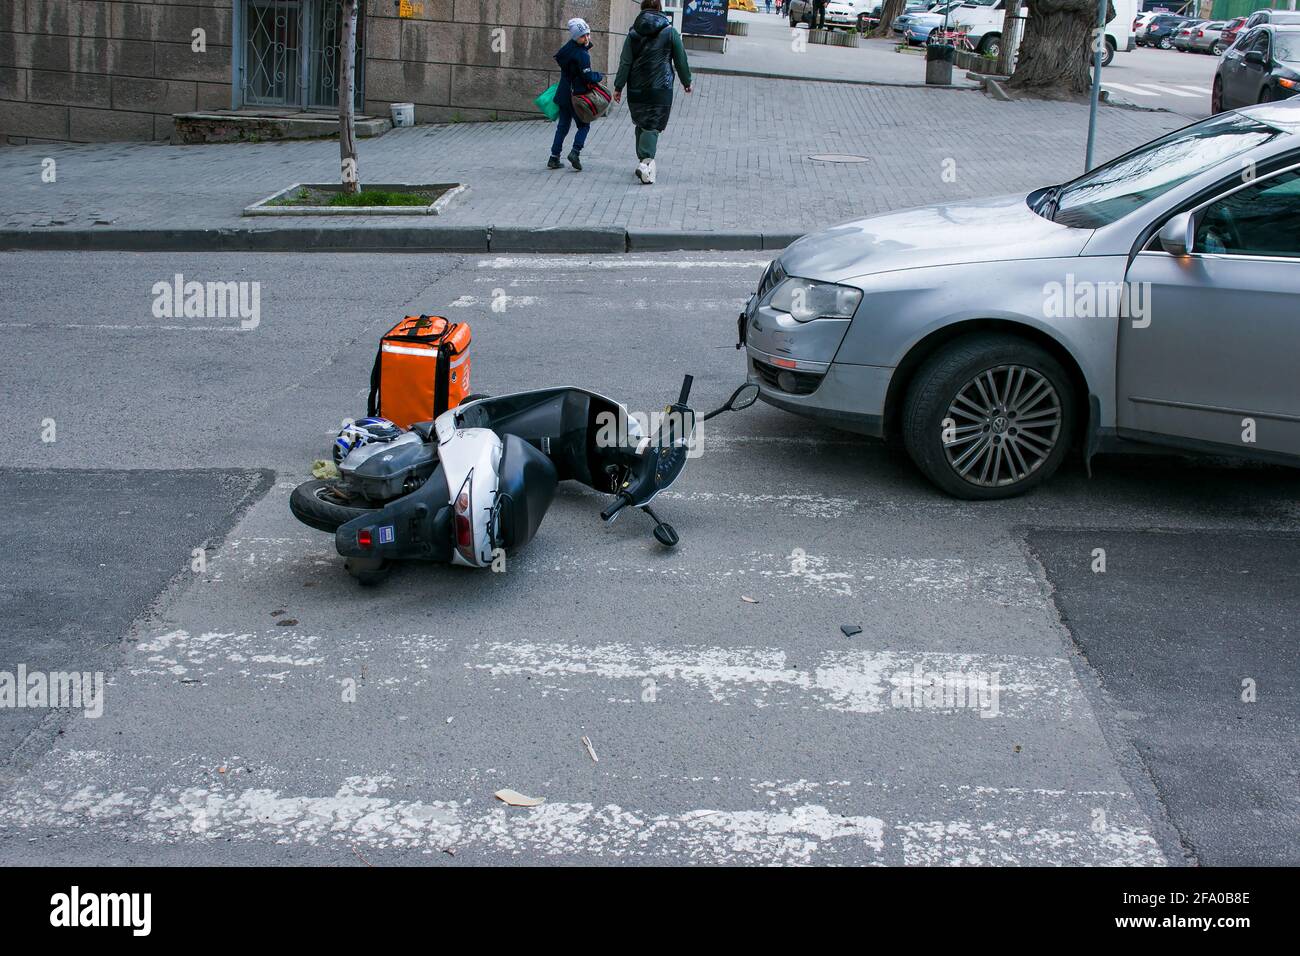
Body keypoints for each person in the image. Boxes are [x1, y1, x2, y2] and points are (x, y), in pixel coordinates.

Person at [612, 0, 692, 185]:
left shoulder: (633, 34)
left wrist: (618, 86)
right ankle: (646, 165)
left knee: (641, 122)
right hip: (660, 88)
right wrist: (686, 81)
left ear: (642, 9)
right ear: (660, 9)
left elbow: (625, 62)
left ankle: (643, 162)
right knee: (652, 125)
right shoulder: (670, 32)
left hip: (636, 88)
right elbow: (681, 59)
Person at [549, 18, 603, 171]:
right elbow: (587, 76)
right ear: (575, 37)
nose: (586, 38)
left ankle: (554, 157)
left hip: (564, 94)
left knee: (563, 126)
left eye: (588, 34)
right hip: (577, 97)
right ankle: (575, 152)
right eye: (582, 36)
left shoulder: (566, 50)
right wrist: (599, 76)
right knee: (584, 126)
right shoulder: (582, 55)